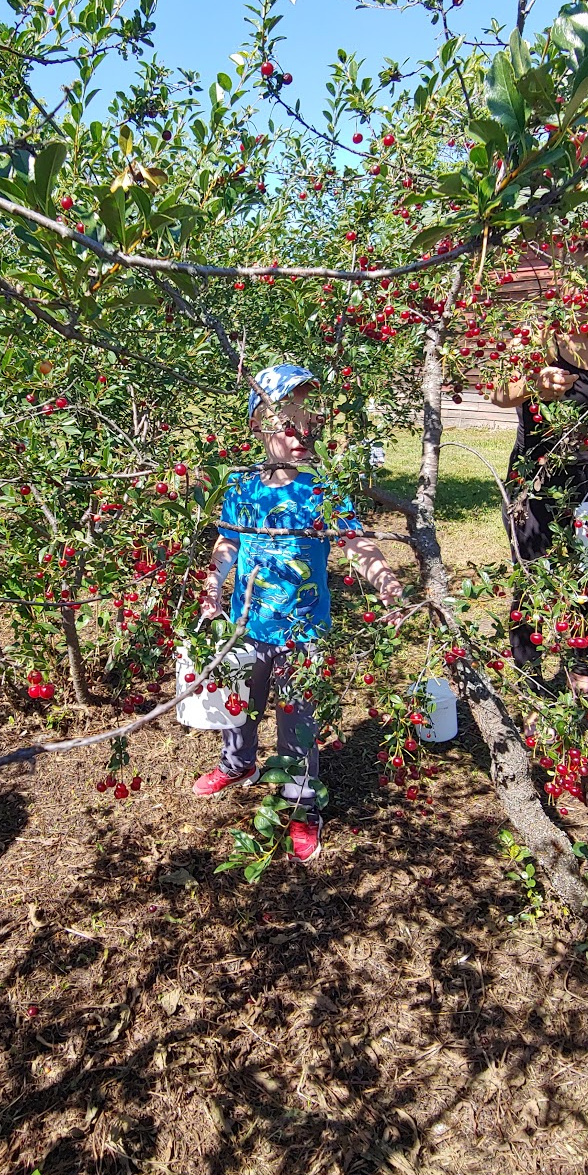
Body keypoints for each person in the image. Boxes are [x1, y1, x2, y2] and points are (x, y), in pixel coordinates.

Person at [193, 363, 406, 862]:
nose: (302, 433)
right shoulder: (241, 488)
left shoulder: (321, 492)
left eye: (310, 424)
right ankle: (238, 761)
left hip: (304, 632)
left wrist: (387, 584)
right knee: (237, 705)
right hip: (247, 625)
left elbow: (356, 542)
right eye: (288, 423)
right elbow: (227, 542)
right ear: (257, 427)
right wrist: (213, 585)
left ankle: (301, 803)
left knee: (299, 722)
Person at [492, 238, 588, 703]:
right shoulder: (541, 331)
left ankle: (580, 662)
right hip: (537, 476)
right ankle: (531, 670)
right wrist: (531, 384)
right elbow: (497, 392)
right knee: (533, 571)